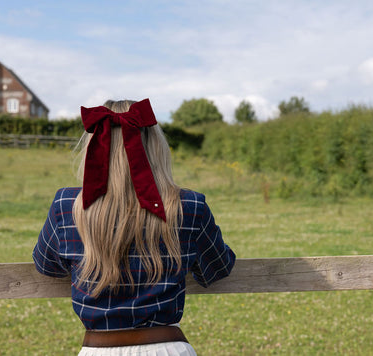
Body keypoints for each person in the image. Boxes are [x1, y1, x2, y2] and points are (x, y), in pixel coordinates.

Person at [33, 98, 236, 355]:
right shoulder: (189, 206)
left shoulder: (66, 206)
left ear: (92, 148)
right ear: (156, 147)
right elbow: (217, 268)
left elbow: (46, 266)